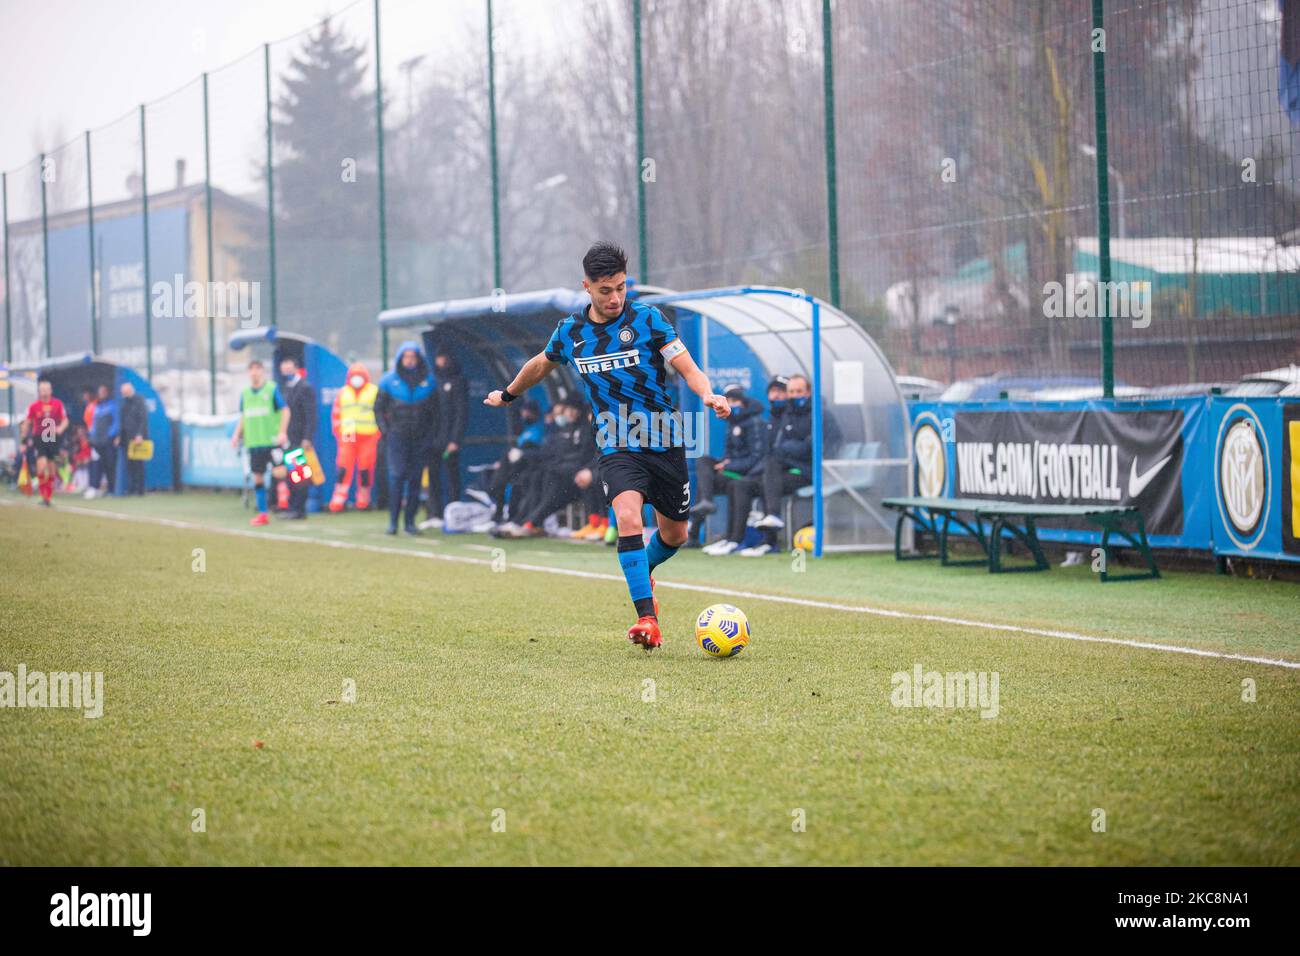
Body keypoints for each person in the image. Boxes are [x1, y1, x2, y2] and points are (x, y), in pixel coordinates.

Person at [484, 241, 730, 649]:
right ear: (587, 287)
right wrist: (507, 394)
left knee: (675, 535)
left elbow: (688, 367)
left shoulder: (649, 320)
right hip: (616, 440)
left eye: (620, 288)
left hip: (665, 439)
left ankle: (643, 568)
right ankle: (647, 620)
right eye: (605, 290)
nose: (615, 298)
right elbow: (540, 364)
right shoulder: (571, 332)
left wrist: (709, 394)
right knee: (629, 520)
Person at [499, 403, 600, 537]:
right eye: (561, 412)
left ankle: (528, 523)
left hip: (573, 477)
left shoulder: (585, 431)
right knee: (535, 479)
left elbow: (582, 457)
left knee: (550, 488)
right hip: (560, 474)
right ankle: (521, 521)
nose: (566, 415)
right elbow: (551, 454)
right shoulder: (564, 430)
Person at [689, 383, 768, 554]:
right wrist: (725, 462)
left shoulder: (755, 422)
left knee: (717, 483)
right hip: (732, 470)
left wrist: (728, 465)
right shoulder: (732, 422)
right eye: (729, 401)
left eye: (735, 400)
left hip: (747, 475)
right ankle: (705, 505)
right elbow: (730, 454)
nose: (732, 405)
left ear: (743, 402)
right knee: (704, 464)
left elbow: (756, 458)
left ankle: (728, 538)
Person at [374, 340, 435, 536]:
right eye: (406, 357)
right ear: (401, 359)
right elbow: (378, 408)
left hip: (419, 437)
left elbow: (436, 412)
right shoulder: (388, 381)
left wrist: (431, 435)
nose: (409, 361)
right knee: (397, 476)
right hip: (397, 437)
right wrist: (385, 430)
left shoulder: (429, 381)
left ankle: (410, 522)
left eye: (413, 357)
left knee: (415, 480)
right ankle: (393, 522)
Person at [231, 360, 289, 526]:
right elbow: (243, 416)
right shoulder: (245, 394)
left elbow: (285, 410)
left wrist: (282, 432)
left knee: (281, 472)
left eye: (257, 369)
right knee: (258, 477)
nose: (254, 373)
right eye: (251, 370)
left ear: (263, 371)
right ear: (248, 373)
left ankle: (287, 504)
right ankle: (263, 513)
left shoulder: (271, 389)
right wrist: (236, 435)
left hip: (272, 441)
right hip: (254, 442)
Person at [479, 398, 545, 526]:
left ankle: (505, 516)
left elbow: (537, 452)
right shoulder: (526, 431)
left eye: (527, 412)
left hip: (528, 467)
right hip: (516, 466)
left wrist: (521, 455)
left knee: (510, 480)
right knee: (500, 474)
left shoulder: (539, 430)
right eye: (523, 412)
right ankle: (498, 513)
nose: (524, 415)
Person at [423, 349, 468, 529]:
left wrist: (455, 440)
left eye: (444, 357)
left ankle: (453, 512)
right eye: (439, 357)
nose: (441, 360)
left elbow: (461, 413)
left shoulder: (458, 381)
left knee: (451, 476)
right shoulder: (431, 381)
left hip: (449, 442)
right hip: (433, 440)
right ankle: (435, 512)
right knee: (432, 476)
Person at [328, 362, 380, 512]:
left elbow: (381, 412)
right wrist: (338, 432)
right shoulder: (343, 392)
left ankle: (363, 501)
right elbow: (336, 414)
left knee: (365, 467)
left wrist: (379, 432)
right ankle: (338, 501)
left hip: (369, 434)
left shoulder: (374, 391)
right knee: (344, 466)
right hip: (348, 434)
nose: (357, 379)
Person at [277, 356, 317, 520]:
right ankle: (292, 507)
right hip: (289, 438)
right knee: (291, 474)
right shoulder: (285, 387)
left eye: (289, 364)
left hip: (300, 438)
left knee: (300, 474)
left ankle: (300, 509)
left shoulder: (305, 387)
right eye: (283, 364)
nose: (285, 368)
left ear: (296, 367)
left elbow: (310, 415)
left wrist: (307, 437)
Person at [21, 378, 69, 507]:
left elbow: (65, 420)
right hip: (40, 438)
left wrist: (60, 428)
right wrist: (23, 440)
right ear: (39, 391)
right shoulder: (33, 406)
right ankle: (43, 495)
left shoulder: (57, 404)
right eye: (42, 390)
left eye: (46, 389)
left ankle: (48, 497)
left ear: (51, 390)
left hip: (53, 439)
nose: (44, 392)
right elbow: (27, 423)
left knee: (52, 467)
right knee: (41, 465)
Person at [118, 381, 150, 496]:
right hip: (127, 438)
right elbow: (122, 421)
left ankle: (140, 490)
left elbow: (143, 419)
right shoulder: (124, 403)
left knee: (138, 464)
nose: (123, 393)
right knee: (129, 464)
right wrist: (119, 437)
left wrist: (140, 434)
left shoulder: (139, 400)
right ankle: (131, 489)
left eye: (124, 391)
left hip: (137, 438)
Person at [87, 383, 119, 498]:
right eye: (100, 392)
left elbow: (116, 422)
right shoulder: (98, 407)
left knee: (110, 465)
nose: (101, 394)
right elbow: (94, 423)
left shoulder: (112, 405)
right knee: (100, 465)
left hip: (108, 441)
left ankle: (112, 489)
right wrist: (92, 436)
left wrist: (110, 435)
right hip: (97, 442)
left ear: (107, 392)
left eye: (103, 392)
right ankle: (97, 487)